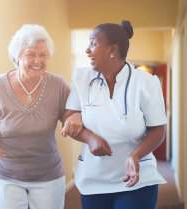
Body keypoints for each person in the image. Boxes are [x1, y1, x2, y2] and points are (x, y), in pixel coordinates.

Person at [62, 20, 167, 209]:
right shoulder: (81, 78)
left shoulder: (146, 82)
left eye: (93, 44)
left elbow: (158, 129)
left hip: (137, 178)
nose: (87, 50)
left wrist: (135, 155)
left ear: (113, 50)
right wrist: (90, 137)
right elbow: (69, 119)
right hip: (93, 180)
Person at [0, 24, 71, 209]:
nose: (38, 60)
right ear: (17, 57)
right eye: (31, 54)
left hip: (48, 174)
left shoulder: (58, 85)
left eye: (43, 55)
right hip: (4, 174)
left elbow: (71, 117)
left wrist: (74, 119)